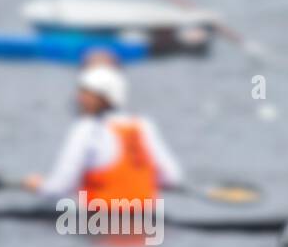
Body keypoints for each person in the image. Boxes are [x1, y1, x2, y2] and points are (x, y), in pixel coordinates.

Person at [22, 59, 183, 206]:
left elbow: (58, 187)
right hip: (145, 220)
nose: (80, 99)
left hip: (100, 225)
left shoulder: (87, 129)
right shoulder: (142, 125)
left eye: (86, 94)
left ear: (105, 98)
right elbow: (172, 178)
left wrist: (38, 185)